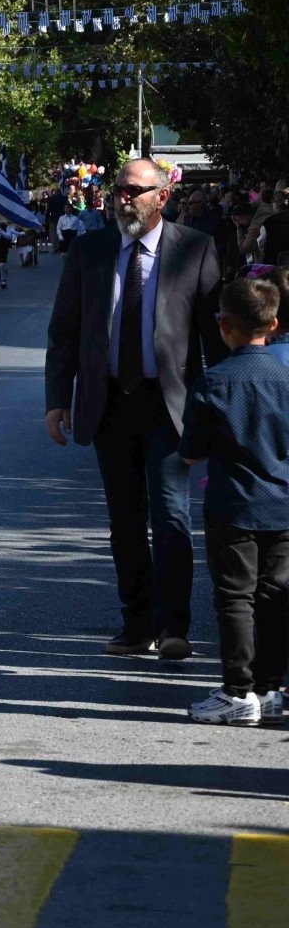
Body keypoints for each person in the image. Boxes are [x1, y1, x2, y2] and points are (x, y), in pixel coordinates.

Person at [46, 158, 225, 661]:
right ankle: (136, 623)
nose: (121, 198)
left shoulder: (194, 248)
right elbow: (65, 331)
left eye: (133, 190)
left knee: (170, 516)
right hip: (108, 404)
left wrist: (220, 408)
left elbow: (217, 338)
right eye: (117, 189)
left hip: (170, 405)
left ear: (161, 198)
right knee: (124, 520)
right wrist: (57, 399)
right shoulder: (90, 249)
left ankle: (174, 628)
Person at [175, 277, 289, 724]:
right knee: (276, 596)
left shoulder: (215, 380)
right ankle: (271, 688)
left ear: (224, 326)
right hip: (283, 503)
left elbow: (192, 450)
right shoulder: (285, 377)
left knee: (235, 598)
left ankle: (238, 691)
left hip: (234, 504)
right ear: (274, 324)